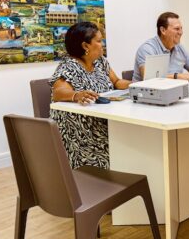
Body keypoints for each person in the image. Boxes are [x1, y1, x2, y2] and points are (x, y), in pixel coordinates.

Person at [49, 22, 130, 169]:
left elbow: (117, 81)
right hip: (82, 134)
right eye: (99, 41)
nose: (102, 44)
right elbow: (58, 92)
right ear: (86, 46)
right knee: (128, 151)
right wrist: (77, 95)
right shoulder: (68, 66)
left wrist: (136, 85)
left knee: (133, 142)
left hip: (104, 122)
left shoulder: (100, 61)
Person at [132, 12, 189, 82]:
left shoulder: (179, 48)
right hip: (146, 93)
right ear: (163, 30)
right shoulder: (147, 49)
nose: (181, 32)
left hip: (173, 91)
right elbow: (150, 79)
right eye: (176, 29)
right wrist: (178, 76)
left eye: (181, 28)